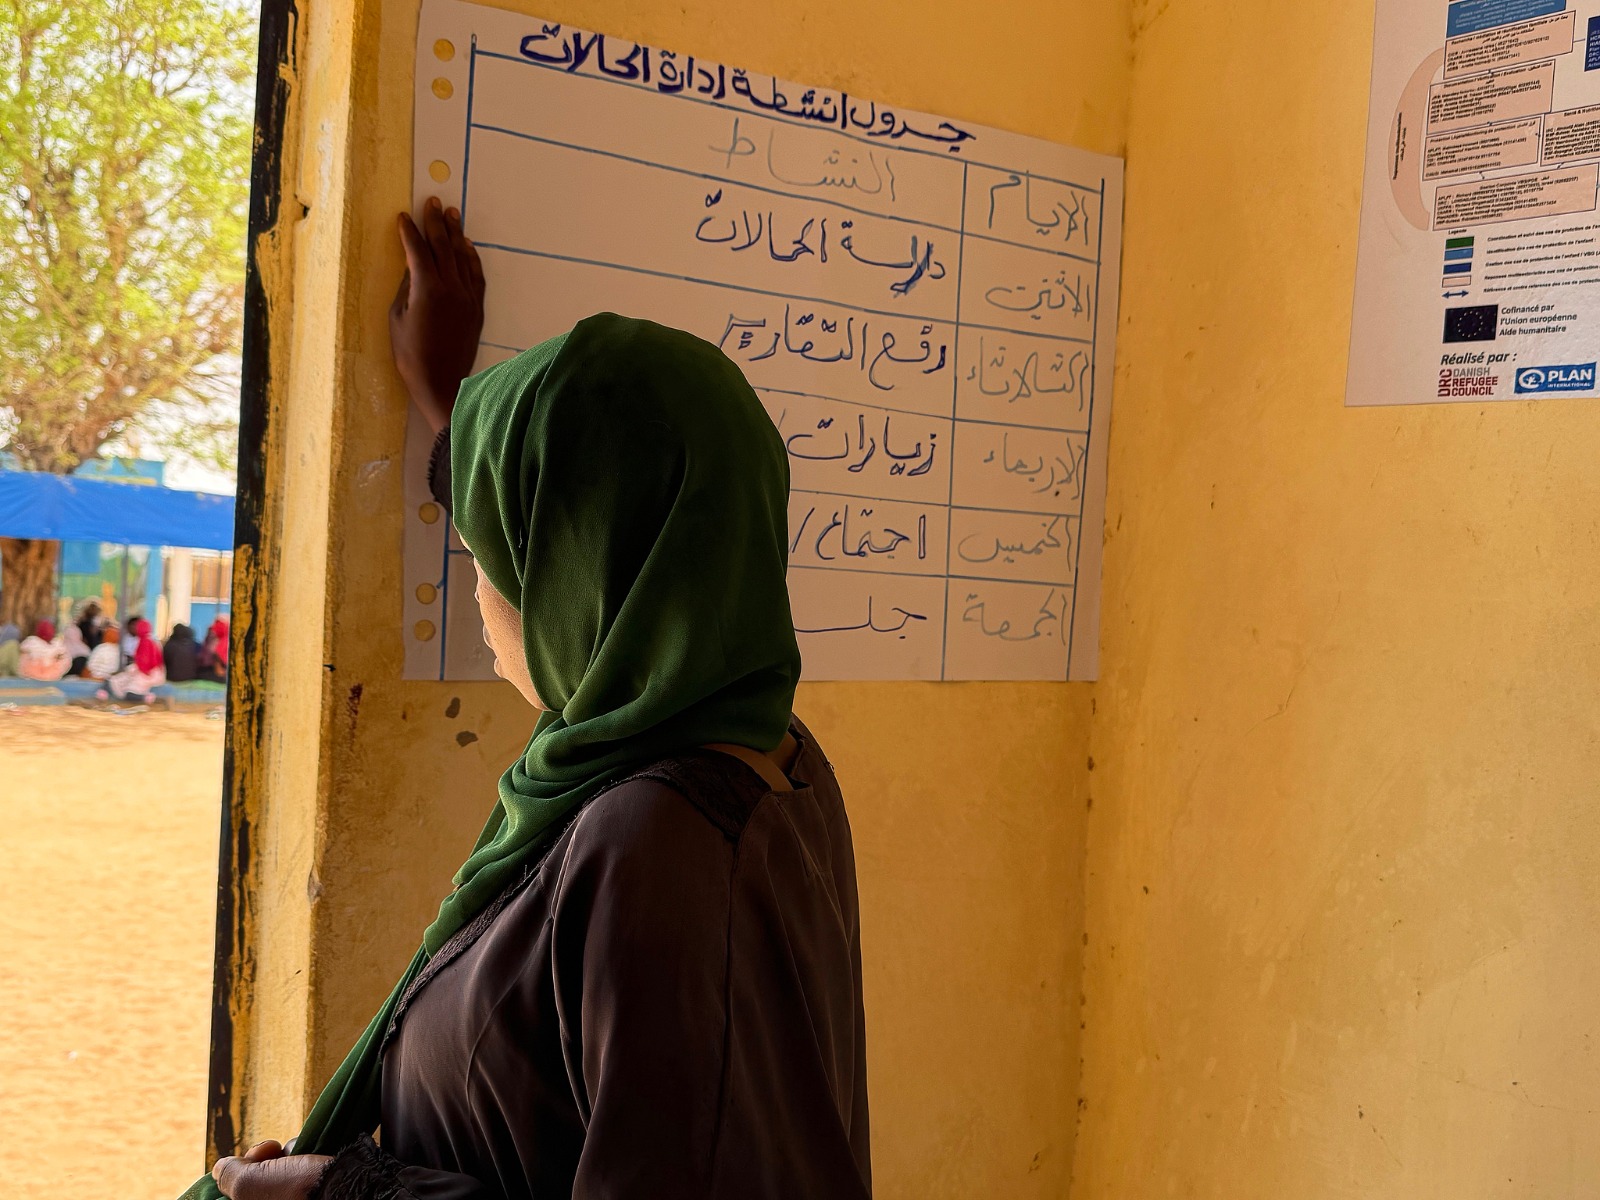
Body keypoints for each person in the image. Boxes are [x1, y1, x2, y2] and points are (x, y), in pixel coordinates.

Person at [200, 198, 869, 1200]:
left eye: (495, 552)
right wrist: (448, 402)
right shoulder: (765, 753)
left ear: (578, 581)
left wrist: (340, 1192)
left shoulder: (660, 843)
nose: (478, 589)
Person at [106, 616, 166, 701]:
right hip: (152, 672)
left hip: (147, 673)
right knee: (122, 680)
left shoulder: (145, 641)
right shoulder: (150, 640)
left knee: (127, 687)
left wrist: (136, 669)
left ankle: (145, 698)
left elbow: (145, 662)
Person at [197, 614, 230, 681]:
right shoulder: (224, 632)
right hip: (216, 671)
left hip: (207, 668)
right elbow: (217, 652)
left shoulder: (211, 631)